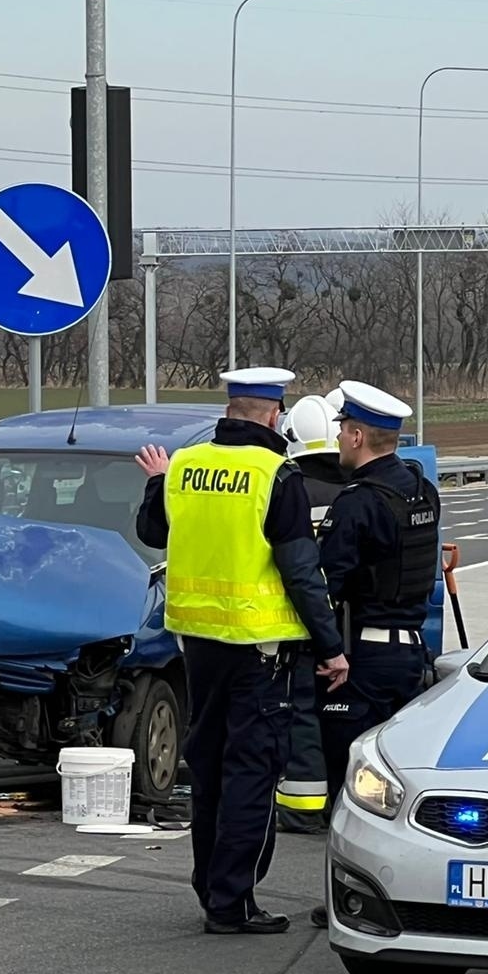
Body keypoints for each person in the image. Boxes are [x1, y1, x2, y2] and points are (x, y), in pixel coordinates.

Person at [135, 368, 349, 935]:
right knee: (251, 775)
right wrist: (330, 646)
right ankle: (233, 902)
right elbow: (302, 570)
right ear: (274, 415)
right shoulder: (277, 473)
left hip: (197, 645)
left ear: (229, 410)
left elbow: (153, 532)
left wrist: (156, 483)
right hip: (260, 651)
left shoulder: (183, 465)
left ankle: (210, 888)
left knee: (207, 769)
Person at [309, 380, 441, 927]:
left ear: (358, 435)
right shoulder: (419, 487)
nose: (339, 437)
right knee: (399, 782)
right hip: (410, 655)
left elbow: (327, 582)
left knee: (354, 786)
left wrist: (325, 647)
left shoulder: (358, 502)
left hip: (360, 660)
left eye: (342, 429)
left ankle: (352, 898)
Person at [272, 393, 352, 834]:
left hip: (296, 628)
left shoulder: (288, 489)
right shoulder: (355, 488)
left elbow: (297, 572)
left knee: (301, 721)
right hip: (354, 627)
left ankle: (301, 807)